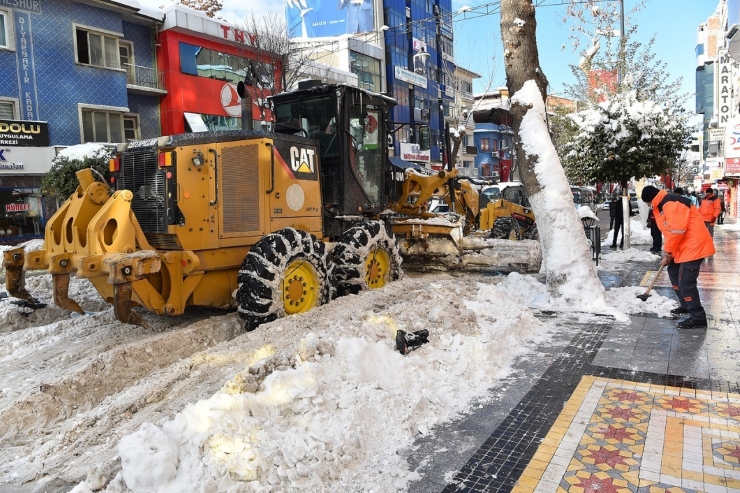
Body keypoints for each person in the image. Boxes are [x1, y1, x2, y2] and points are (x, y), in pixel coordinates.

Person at [641, 186, 715, 329]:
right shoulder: (662, 203)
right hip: (683, 246)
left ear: (651, 200)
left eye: (647, 203)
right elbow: (671, 232)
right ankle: (686, 305)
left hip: (693, 246)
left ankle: (697, 317)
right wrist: (670, 254)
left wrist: (667, 252)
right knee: (673, 271)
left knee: (686, 281)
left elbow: (676, 231)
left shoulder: (671, 203)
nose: (648, 206)